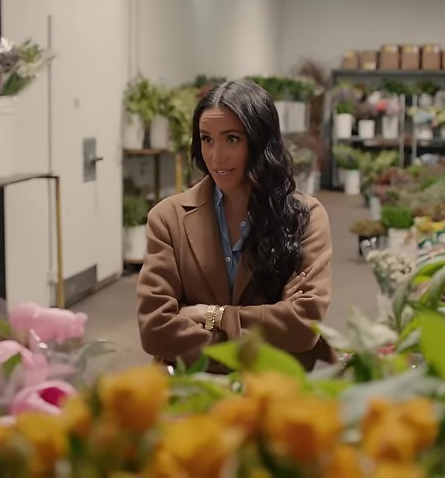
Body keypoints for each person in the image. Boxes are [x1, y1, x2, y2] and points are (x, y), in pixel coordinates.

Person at [136, 79, 336, 372]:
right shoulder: (168, 218)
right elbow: (155, 330)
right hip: (193, 393)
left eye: (232, 139)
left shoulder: (304, 216)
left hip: (272, 394)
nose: (217, 156)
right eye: (207, 139)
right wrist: (268, 323)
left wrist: (212, 315)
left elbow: (303, 326)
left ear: (259, 141)